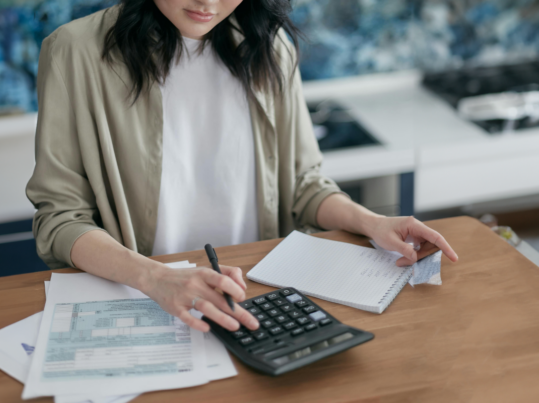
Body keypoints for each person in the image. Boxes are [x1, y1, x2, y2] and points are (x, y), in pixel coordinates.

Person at [26, 0, 458, 335]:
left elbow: (303, 184)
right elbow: (61, 220)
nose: (207, 2)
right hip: (145, 301)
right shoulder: (75, 51)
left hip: (255, 298)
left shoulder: (269, 48)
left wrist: (373, 222)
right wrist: (155, 278)